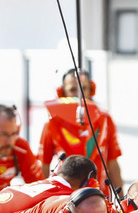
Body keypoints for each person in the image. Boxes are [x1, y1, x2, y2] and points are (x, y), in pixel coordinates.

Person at [38, 69, 123, 197]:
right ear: (62, 92)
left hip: (99, 195)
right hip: (64, 196)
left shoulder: (104, 119)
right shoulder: (52, 122)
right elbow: (43, 165)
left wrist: (122, 199)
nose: (79, 95)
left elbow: (113, 163)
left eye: (83, 88)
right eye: (73, 90)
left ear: (91, 90)